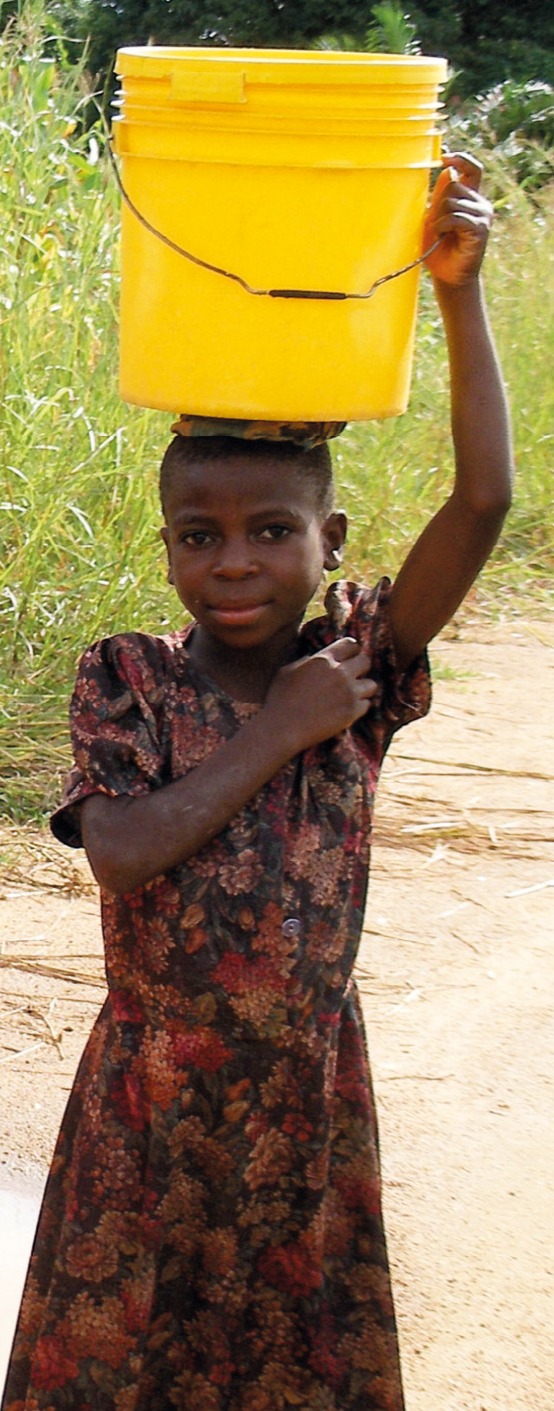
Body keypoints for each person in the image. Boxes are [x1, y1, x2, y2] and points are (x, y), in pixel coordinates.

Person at [2, 153, 513, 1411]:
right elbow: (119, 850)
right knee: (120, 1372)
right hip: (147, 1099)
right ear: (167, 543)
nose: (235, 561)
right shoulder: (127, 677)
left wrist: (456, 293)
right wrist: (281, 729)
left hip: (304, 1094)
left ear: (327, 543)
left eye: (271, 531)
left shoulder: (360, 662)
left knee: (291, 1371)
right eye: (200, 534)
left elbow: (485, 497)